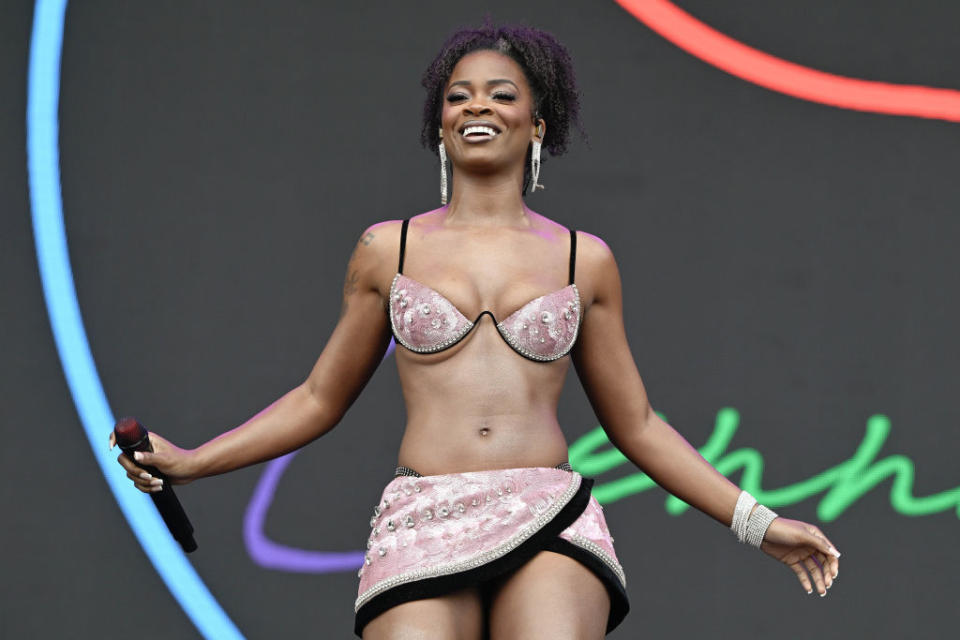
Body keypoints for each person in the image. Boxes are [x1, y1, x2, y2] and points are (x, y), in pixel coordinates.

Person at [111, 24, 841, 640]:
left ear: (538, 123)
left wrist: (758, 523)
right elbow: (318, 399)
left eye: (501, 94)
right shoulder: (385, 250)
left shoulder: (584, 259)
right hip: (423, 514)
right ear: (439, 126)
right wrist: (193, 462)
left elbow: (639, 425)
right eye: (458, 96)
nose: (477, 107)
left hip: (550, 514)